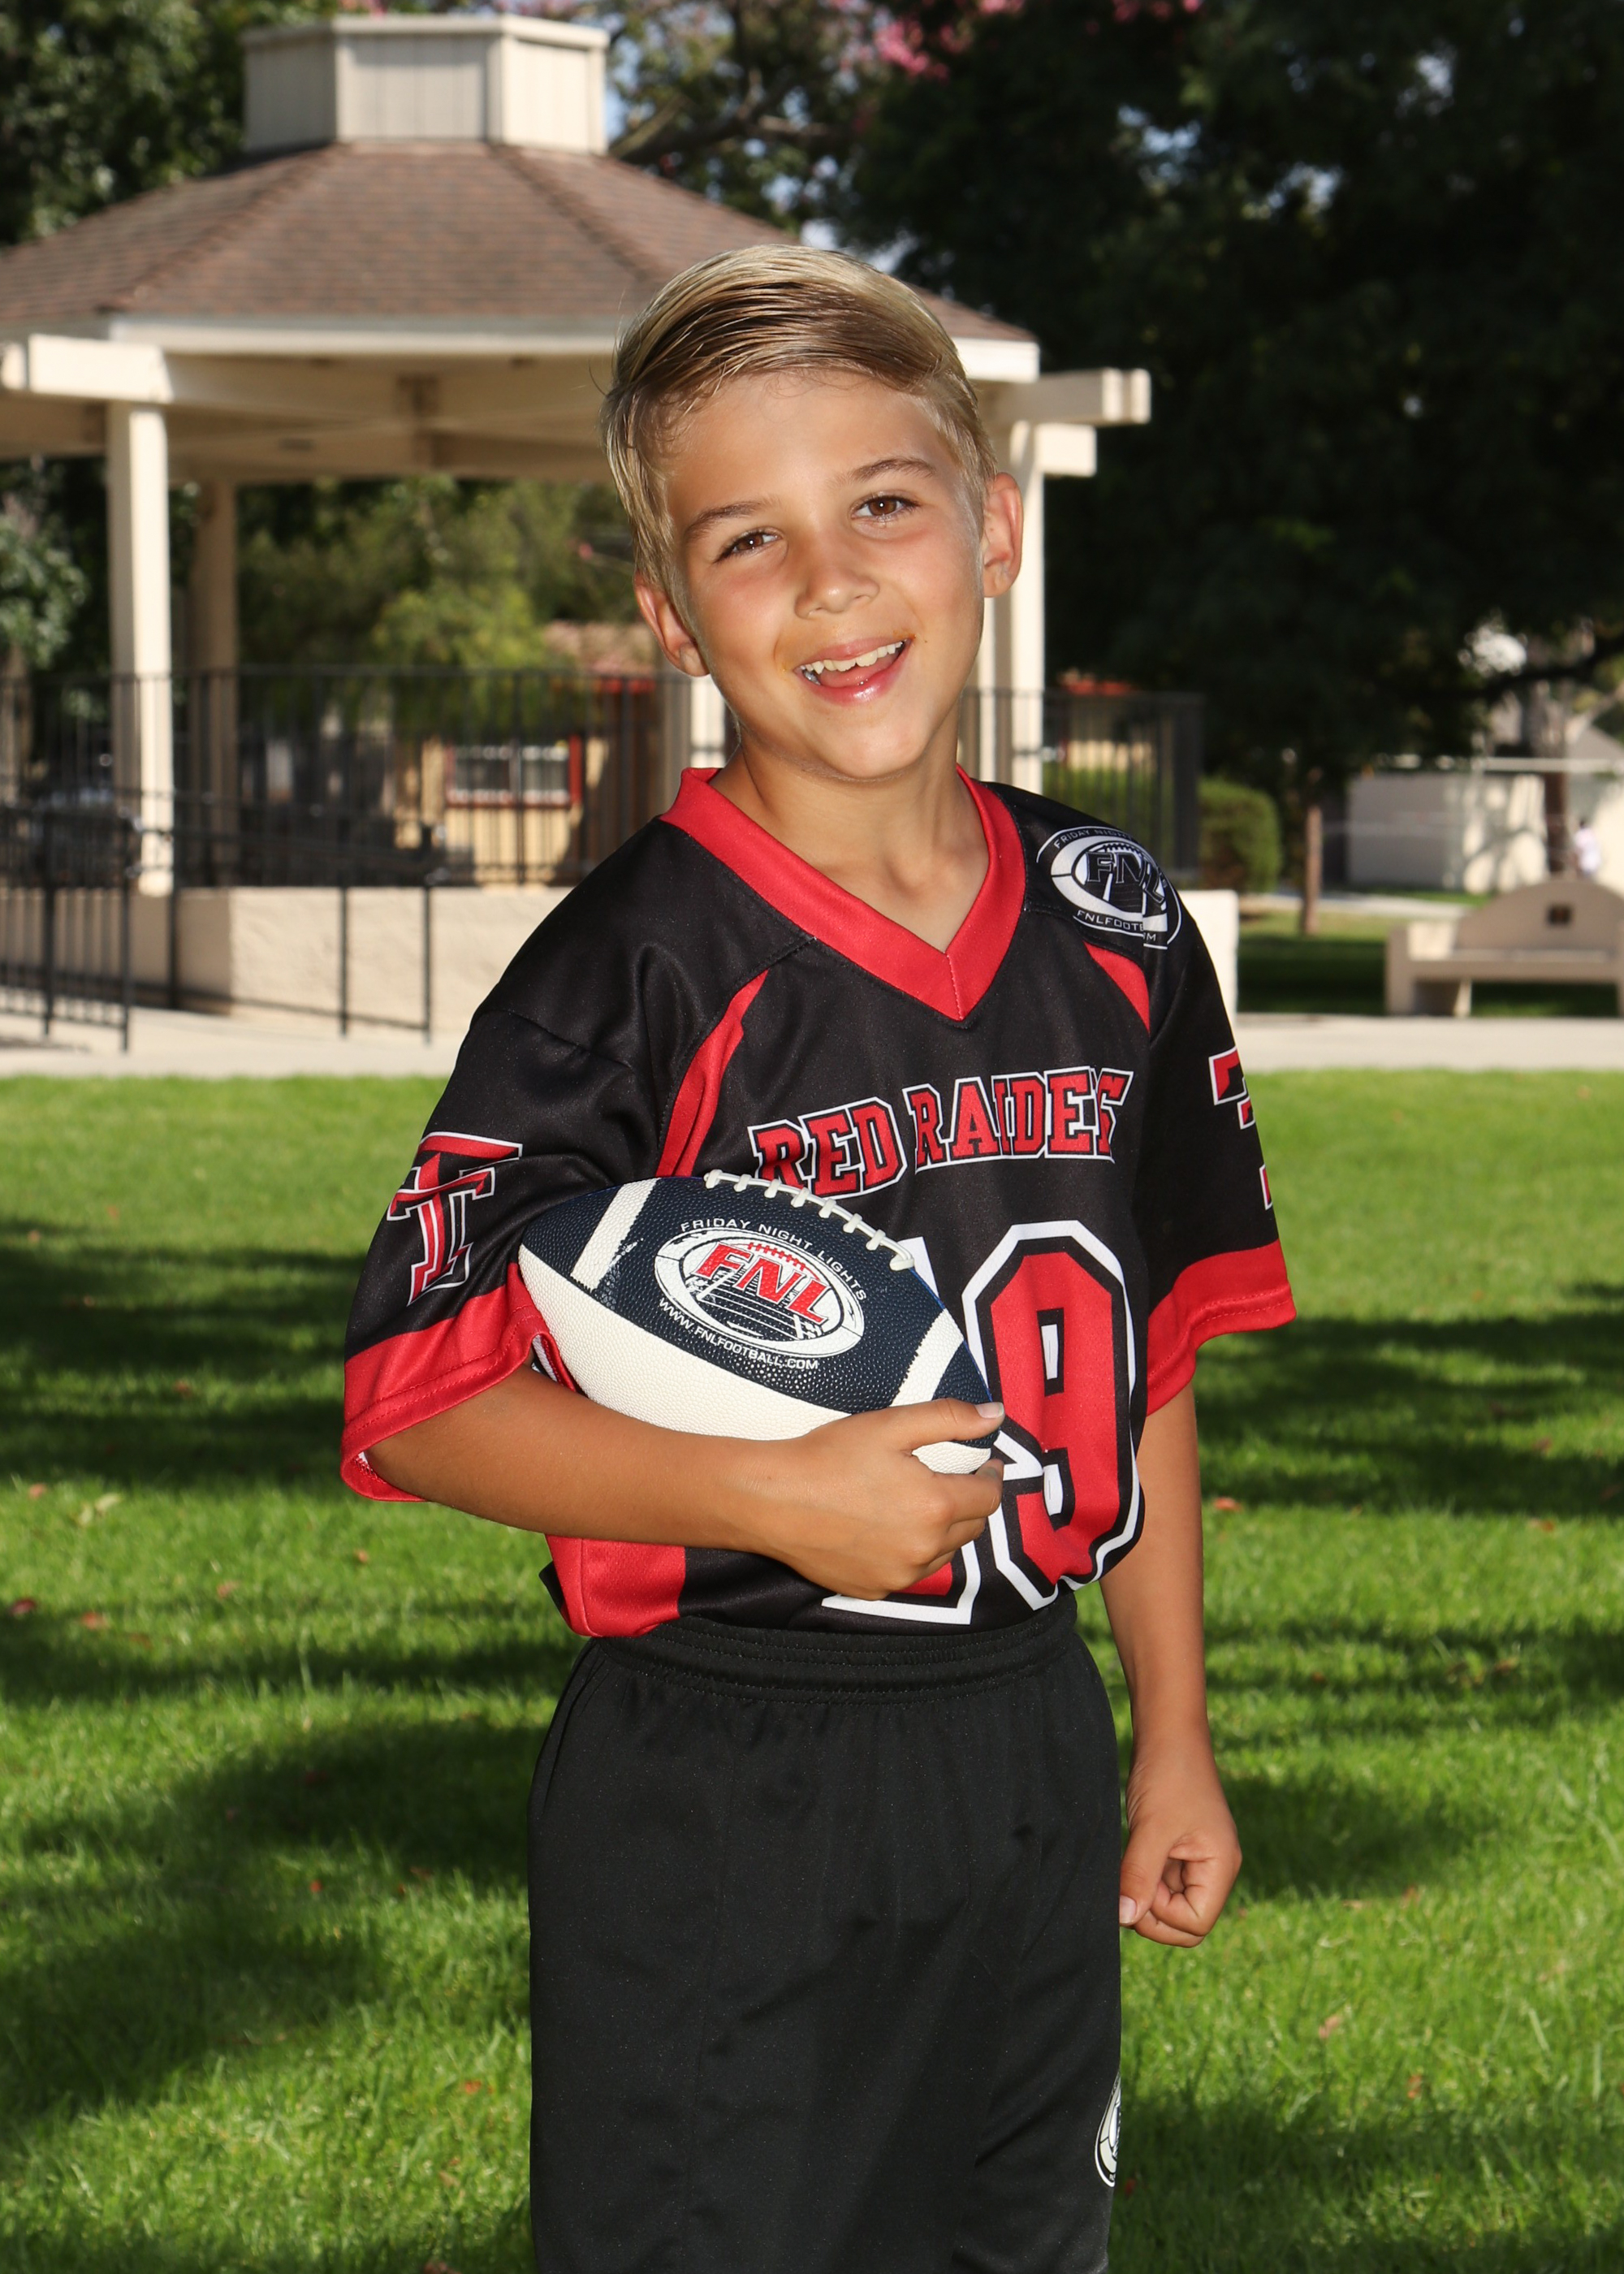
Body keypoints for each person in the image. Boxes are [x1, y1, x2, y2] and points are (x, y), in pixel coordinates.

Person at [340, 246, 1294, 2274]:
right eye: (748, 540)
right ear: (670, 615)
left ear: (993, 526)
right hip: (728, 1764)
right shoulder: (628, 968)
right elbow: (415, 1398)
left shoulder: (1117, 920)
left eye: (881, 502)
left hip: (1028, 1731)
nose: (835, 583)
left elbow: (1149, 1356)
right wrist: (762, 1491)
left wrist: (1172, 1729)